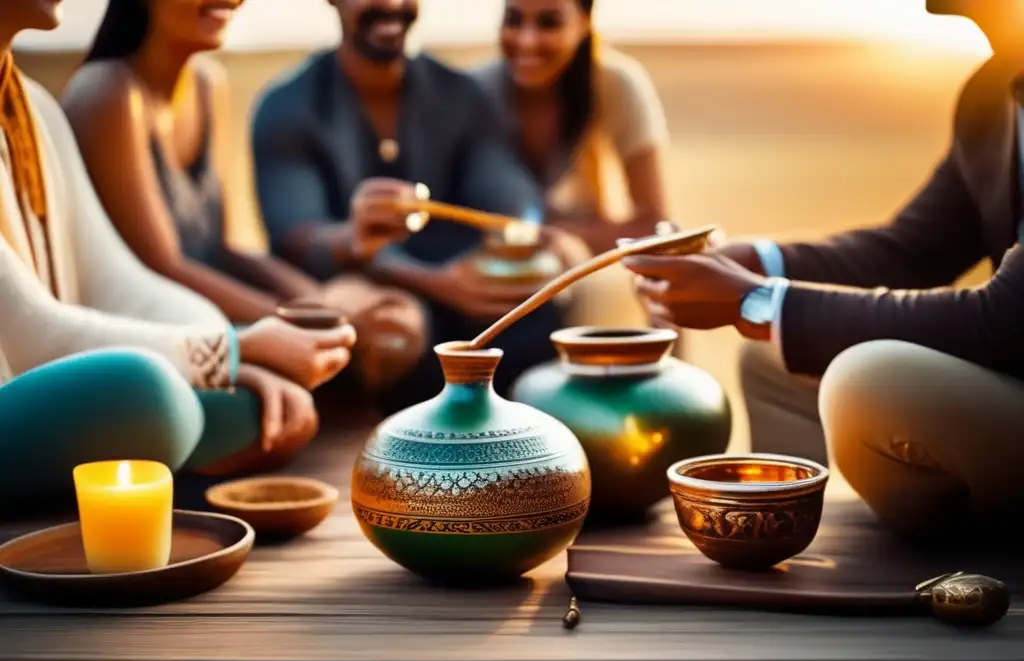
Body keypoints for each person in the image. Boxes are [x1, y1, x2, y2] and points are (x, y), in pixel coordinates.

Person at [621, 0, 1024, 539]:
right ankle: (798, 543)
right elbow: (912, 251)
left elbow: (1007, 319)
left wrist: (754, 301)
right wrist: (752, 263)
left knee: (868, 383)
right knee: (772, 362)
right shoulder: (992, 92)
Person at [0, 0, 356, 497]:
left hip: (72, 379)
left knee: (254, 407)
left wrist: (234, 353)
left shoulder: (33, 106)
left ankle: (135, 474)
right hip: (27, 393)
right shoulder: (106, 91)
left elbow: (117, 280)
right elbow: (34, 333)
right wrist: (233, 350)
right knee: (154, 394)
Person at [60, 0, 425, 397]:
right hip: (153, 343)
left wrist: (325, 306)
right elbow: (164, 266)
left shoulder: (206, 83)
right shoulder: (110, 93)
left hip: (212, 316)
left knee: (392, 316)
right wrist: (303, 323)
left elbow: (226, 248)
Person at [251, 0, 583, 411]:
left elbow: (507, 192)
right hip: (359, 293)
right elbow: (296, 238)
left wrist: (526, 231)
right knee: (394, 331)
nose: (390, 4)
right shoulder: (287, 106)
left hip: (462, 293)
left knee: (537, 314)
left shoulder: (459, 95)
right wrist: (422, 275)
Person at [473, 0, 671, 253]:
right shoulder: (476, 92)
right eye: (513, 20)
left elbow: (655, 224)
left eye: (549, 23)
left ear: (584, 22)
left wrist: (551, 237)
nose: (527, 41)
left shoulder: (617, 85)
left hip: (576, 266)